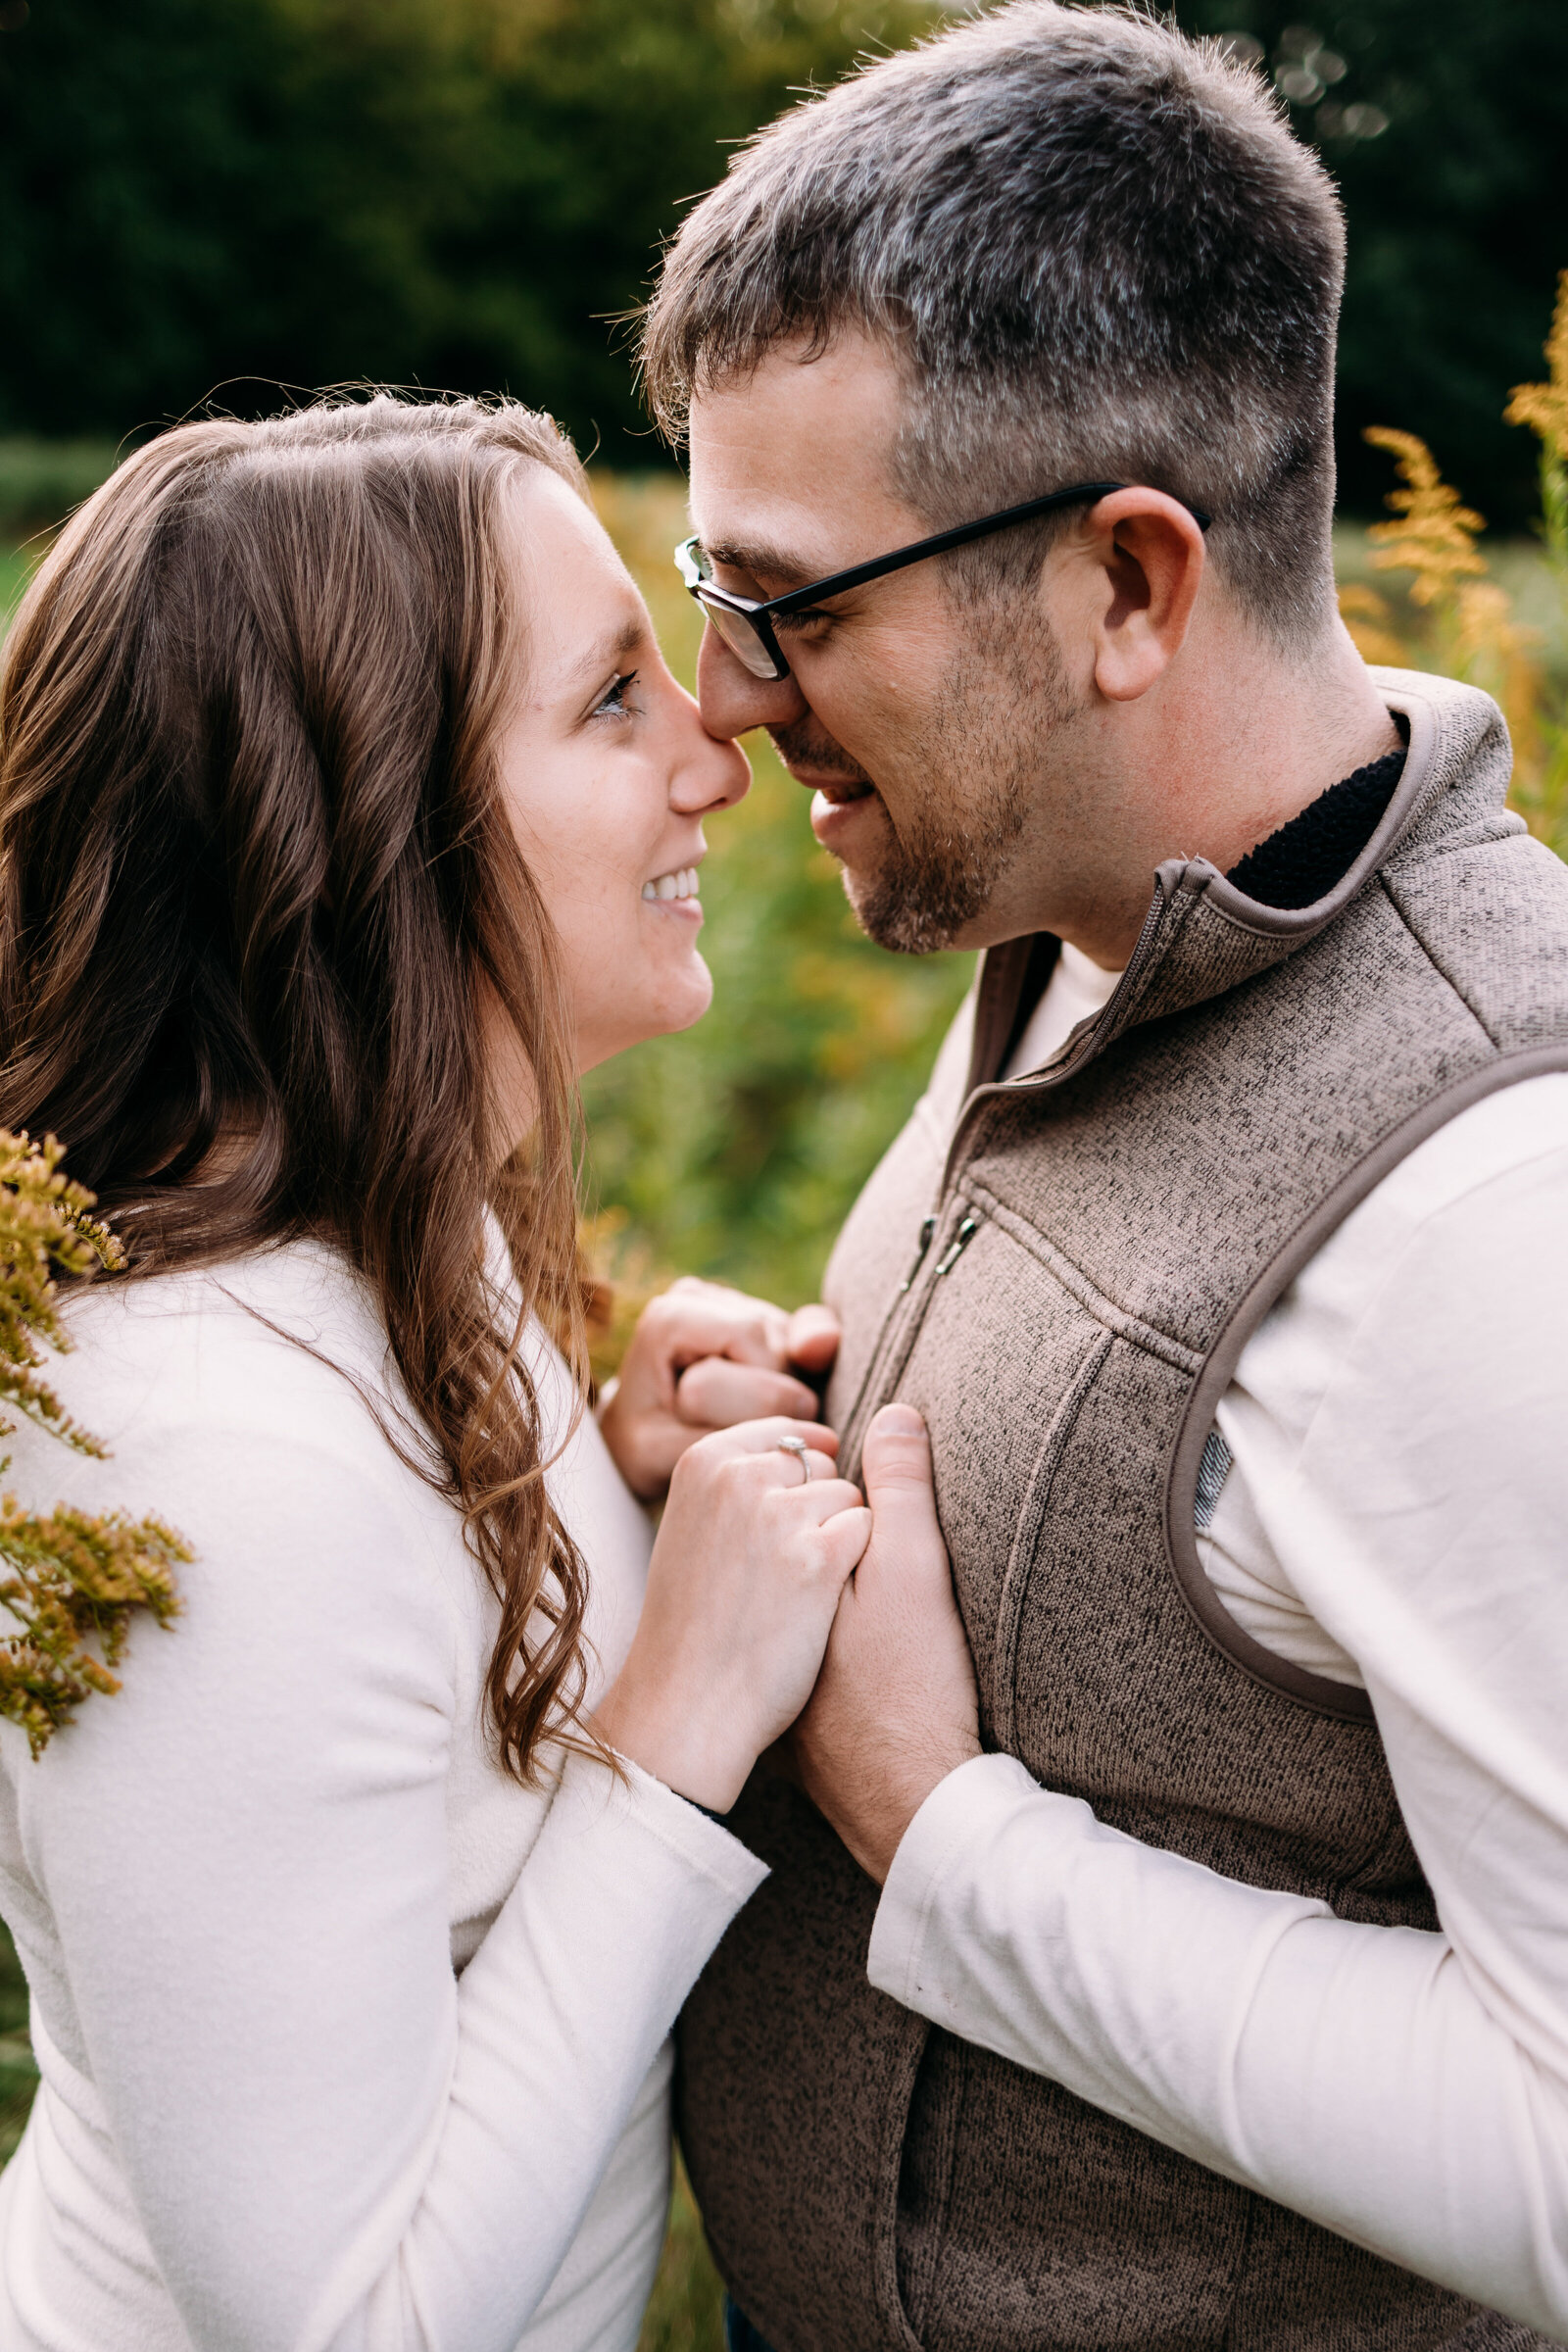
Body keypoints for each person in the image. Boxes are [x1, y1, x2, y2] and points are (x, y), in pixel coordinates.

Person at [636, 8, 1568, 2350]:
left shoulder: (1488, 1218)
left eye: (793, 606)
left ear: (1128, 585)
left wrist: (944, 1840)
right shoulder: (1079, 908)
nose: (726, 703)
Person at [0, 391, 891, 2352]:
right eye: (605, 704)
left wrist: (590, 1448)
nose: (713, 758)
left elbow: (406, 1685)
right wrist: (671, 1737)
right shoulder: (208, 1478)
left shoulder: (408, 1245)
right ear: (369, 827)